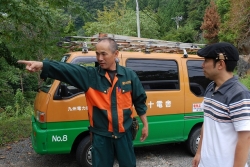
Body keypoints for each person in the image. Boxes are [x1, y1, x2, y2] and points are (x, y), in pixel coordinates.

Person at [18, 38, 148, 167]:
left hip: (124, 134)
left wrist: (145, 125)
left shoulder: (129, 76)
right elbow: (66, 69)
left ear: (116, 54)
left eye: (104, 54)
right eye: (97, 54)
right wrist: (42, 65)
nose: (100, 58)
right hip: (101, 136)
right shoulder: (90, 76)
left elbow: (139, 100)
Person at [192, 42, 250, 167]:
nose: (202, 65)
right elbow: (206, 123)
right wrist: (198, 153)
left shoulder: (239, 94)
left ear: (220, 64)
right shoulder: (210, 87)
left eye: (206, 60)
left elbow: (245, 138)